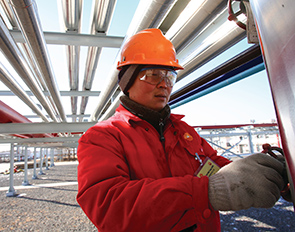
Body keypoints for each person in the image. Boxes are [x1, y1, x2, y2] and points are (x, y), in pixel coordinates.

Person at [76, 28, 285, 232]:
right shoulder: (103, 136)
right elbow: (109, 208)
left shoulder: (183, 130)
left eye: (169, 76)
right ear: (127, 81)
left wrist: (268, 172)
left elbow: (216, 167)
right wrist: (206, 192)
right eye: (153, 74)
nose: (164, 84)